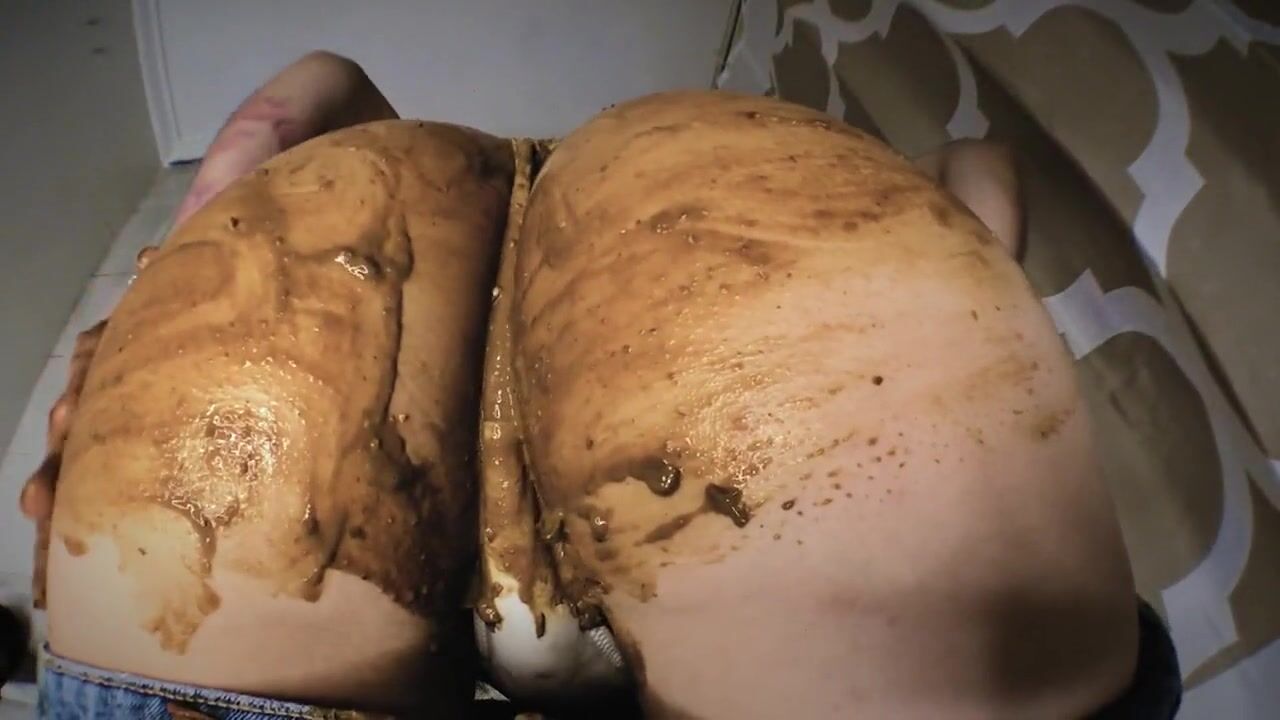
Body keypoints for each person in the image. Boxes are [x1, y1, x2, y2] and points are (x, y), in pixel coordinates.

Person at [17, 52, 1178, 719]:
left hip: (250, 422)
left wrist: (165, 280)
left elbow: (285, 109)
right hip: (758, 321)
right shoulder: (703, 153)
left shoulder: (402, 173)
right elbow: (980, 180)